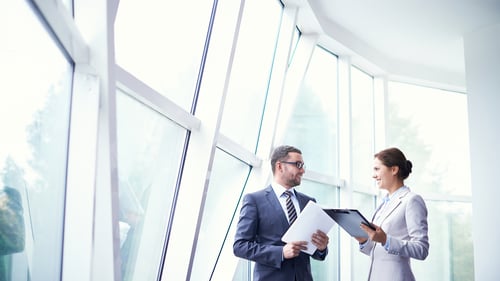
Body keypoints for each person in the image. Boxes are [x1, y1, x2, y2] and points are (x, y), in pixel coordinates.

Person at [233, 145, 329, 281]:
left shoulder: (309, 202)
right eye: (298, 164)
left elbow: (316, 253)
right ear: (280, 166)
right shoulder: (255, 201)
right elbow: (240, 246)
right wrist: (280, 253)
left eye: (303, 165)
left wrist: (321, 247)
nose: (302, 170)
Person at [356, 147, 429, 281]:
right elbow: (378, 251)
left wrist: (385, 240)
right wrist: (364, 241)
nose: (373, 175)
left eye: (377, 169)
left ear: (394, 170)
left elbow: (422, 249)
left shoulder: (412, 200)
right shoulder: (383, 204)